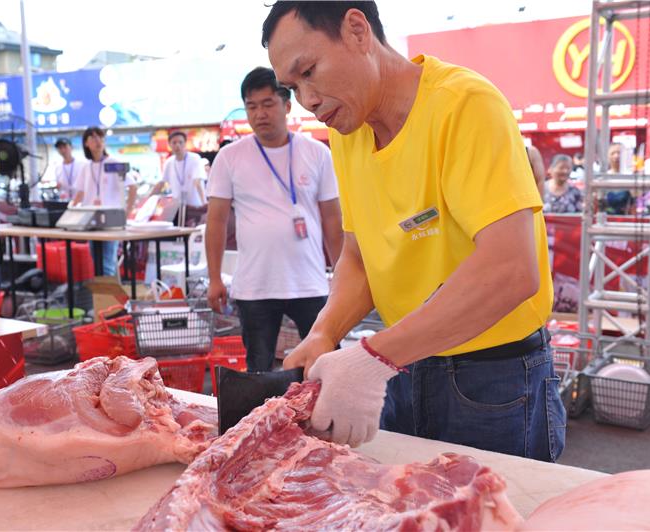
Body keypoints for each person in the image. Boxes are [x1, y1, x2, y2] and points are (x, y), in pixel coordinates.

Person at [263, 1, 565, 460]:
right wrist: (325, 331)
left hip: (493, 378)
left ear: (357, 30)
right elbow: (359, 256)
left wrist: (374, 357)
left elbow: (510, 269)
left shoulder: (463, 104)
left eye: (309, 72)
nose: (307, 100)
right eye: (293, 87)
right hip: (402, 363)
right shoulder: (348, 133)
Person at [205, 66, 344, 372]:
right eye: (251, 107)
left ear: (287, 105)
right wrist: (214, 278)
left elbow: (332, 220)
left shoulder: (317, 153)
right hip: (255, 285)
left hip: (309, 283)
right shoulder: (229, 157)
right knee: (259, 369)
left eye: (268, 104)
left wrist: (343, 276)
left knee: (327, 365)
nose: (260, 114)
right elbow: (216, 221)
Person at [72, 126, 137, 276]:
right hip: (91, 219)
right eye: (93, 138)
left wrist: (127, 211)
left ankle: (108, 291)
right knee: (97, 261)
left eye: (100, 137)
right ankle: (108, 290)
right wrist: (71, 210)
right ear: (86, 143)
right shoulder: (86, 167)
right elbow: (80, 192)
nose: (98, 141)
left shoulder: (113, 162)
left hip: (111, 219)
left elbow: (132, 186)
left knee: (106, 263)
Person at [153, 131, 207, 226]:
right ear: (170, 145)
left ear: (185, 143)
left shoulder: (194, 159)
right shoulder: (169, 162)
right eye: (174, 143)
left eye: (180, 142)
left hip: (195, 206)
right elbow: (161, 183)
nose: (177, 145)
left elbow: (198, 182)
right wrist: (149, 199)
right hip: (177, 208)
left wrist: (204, 204)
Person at [605, 142, 633, 214]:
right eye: (613, 153)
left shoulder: (630, 176)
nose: (616, 156)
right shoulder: (604, 176)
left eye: (619, 153)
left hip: (626, 217)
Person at [54, 137, 84, 201]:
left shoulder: (82, 164)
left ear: (71, 147)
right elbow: (59, 186)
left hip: (81, 201)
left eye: (65, 147)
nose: (63, 150)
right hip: (65, 201)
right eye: (60, 148)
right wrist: (58, 187)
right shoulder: (58, 167)